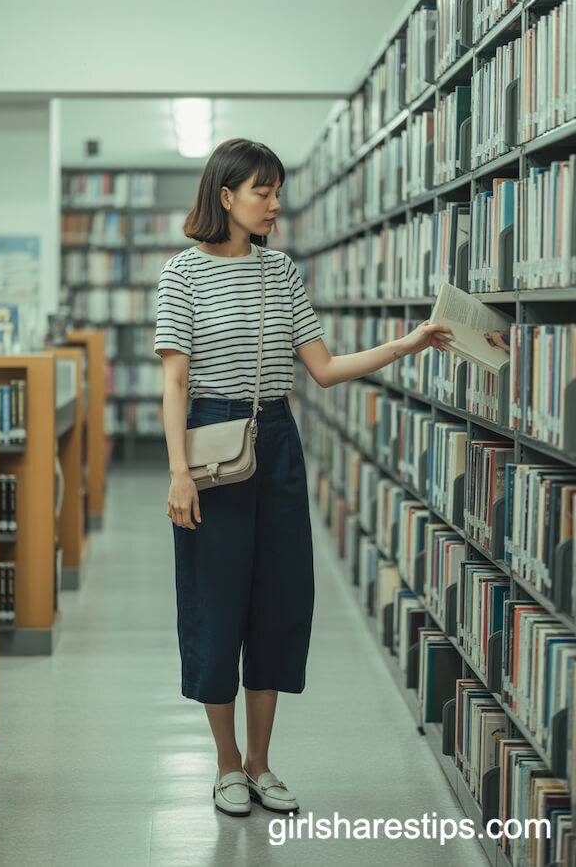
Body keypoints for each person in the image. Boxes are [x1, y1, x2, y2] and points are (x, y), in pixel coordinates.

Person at [153, 137, 453, 818]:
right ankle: (226, 765)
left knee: (281, 606)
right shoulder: (181, 274)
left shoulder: (281, 270)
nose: (274, 203)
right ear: (225, 196)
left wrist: (404, 344)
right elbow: (173, 381)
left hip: (276, 439)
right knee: (214, 606)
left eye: (277, 191)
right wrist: (179, 473)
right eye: (262, 191)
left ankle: (261, 764)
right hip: (208, 442)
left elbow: (320, 367)